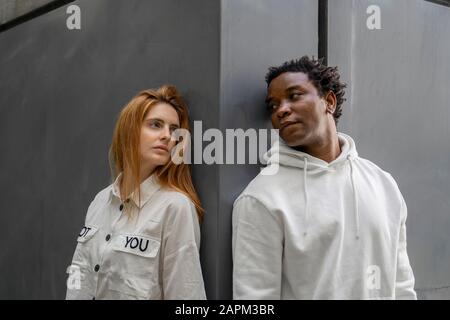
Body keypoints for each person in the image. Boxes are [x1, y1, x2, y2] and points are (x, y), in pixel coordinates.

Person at [232, 56, 417, 300]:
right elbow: (255, 299)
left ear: (329, 101)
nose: (281, 110)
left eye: (294, 95)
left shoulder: (382, 184)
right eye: (273, 105)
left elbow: (401, 286)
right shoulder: (260, 198)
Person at [66, 85, 206, 300]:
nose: (167, 136)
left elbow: (186, 297)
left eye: (173, 130)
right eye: (156, 125)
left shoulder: (175, 207)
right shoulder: (100, 201)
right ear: (129, 128)